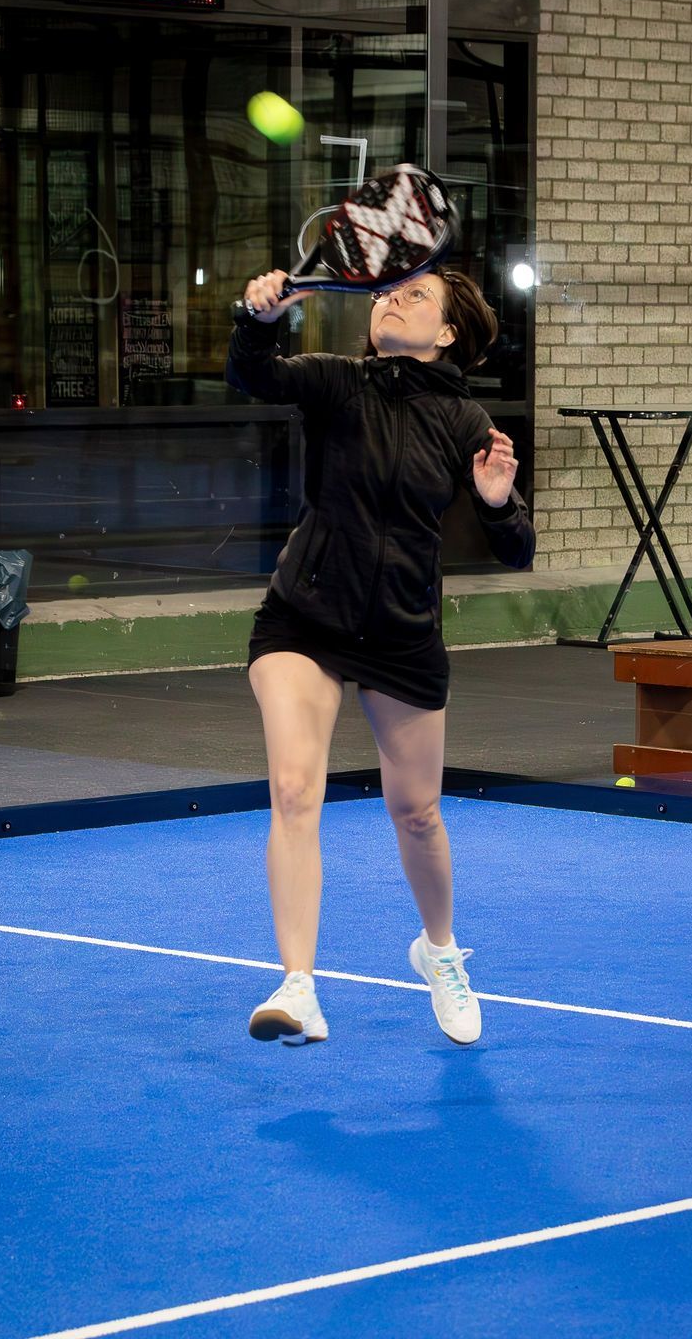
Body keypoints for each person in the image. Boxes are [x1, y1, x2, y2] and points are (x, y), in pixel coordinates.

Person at [226, 265, 536, 1047]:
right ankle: (298, 986)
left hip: (403, 633)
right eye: (388, 293)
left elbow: (518, 551)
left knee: (417, 814)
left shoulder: (465, 421)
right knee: (295, 788)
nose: (392, 300)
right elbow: (254, 374)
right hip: (305, 620)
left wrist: (497, 503)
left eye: (415, 294)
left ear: (447, 332)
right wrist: (258, 318)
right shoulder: (338, 383)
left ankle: (439, 952)